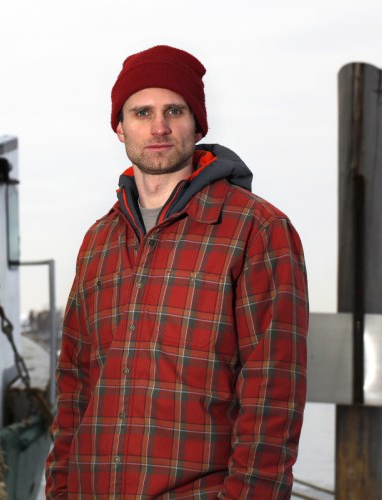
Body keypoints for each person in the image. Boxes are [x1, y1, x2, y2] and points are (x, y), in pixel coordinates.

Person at [45, 45, 309, 498]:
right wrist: (61, 489)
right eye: (141, 111)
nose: (159, 126)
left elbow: (272, 396)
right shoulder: (99, 242)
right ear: (119, 127)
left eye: (174, 110)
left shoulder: (256, 230)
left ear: (197, 123)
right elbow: (75, 385)